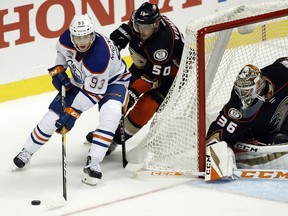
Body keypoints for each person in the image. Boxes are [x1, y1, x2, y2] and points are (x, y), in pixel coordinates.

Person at [13, 14, 131, 186]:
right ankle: (27, 151)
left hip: (114, 80)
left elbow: (93, 94)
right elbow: (62, 55)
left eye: (86, 36)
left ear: (93, 34)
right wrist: (58, 70)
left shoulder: (99, 55)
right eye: (78, 37)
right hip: (82, 79)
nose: (82, 41)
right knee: (52, 118)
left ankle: (94, 163)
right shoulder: (65, 39)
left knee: (111, 114)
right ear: (71, 34)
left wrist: (72, 113)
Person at [85, 2, 184, 154]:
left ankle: (115, 140)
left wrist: (133, 93)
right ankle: (106, 131)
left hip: (171, 77)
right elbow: (125, 32)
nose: (141, 30)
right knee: (118, 97)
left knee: (145, 108)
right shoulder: (139, 22)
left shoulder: (163, 44)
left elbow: (152, 78)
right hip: (146, 66)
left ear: (156, 24)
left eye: (145, 28)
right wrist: (112, 47)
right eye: (139, 26)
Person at [205, 57, 288, 181]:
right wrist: (214, 149)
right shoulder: (237, 104)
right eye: (241, 91)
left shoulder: (280, 75)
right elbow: (219, 131)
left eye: (247, 91)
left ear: (259, 85)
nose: (243, 95)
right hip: (262, 132)